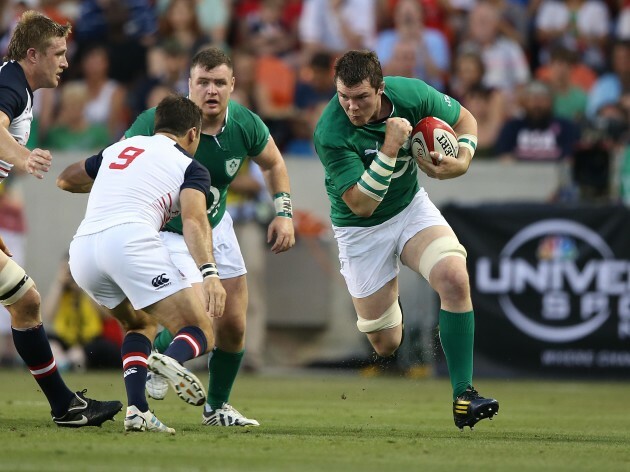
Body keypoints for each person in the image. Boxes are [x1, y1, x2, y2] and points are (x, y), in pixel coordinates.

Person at [313, 50, 499, 431]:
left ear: (380, 89)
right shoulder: (330, 131)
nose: (351, 106)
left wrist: (462, 158)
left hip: (409, 208)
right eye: (343, 97)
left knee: (454, 277)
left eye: (361, 97)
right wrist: (390, 145)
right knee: (387, 344)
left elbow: (465, 119)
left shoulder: (411, 94)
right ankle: (388, 295)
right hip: (360, 230)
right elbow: (362, 205)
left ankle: (464, 395)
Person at [124, 47, 295, 427]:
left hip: (216, 226)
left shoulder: (245, 125)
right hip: (167, 231)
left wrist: (283, 213)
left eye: (220, 82)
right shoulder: (158, 120)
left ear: (233, 85)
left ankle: (216, 408)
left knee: (233, 322)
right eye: (203, 82)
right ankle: (160, 361)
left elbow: (274, 163)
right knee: (198, 313)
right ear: (189, 85)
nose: (211, 90)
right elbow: (119, 160)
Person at [56, 95, 226, 434]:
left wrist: (117, 181)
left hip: (84, 251)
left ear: (155, 126)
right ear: (193, 134)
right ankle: (169, 360)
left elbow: (65, 179)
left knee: (140, 324)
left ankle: (138, 411)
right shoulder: (191, 167)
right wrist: (209, 273)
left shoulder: (121, 148)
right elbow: (193, 221)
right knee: (201, 330)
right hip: (129, 241)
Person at [0, 10, 123, 428]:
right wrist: (22, 156)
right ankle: (65, 406)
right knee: (26, 300)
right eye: (58, 53)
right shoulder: (12, 82)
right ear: (32, 55)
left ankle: (65, 406)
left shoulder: (16, 84)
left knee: (25, 300)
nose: (65, 63)